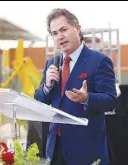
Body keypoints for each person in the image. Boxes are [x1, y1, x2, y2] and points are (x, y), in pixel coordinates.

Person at [34, 8, 117, 165]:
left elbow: (111, 100)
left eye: (63, 29)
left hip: (86, 150)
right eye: (55, 33)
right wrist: (46, 86)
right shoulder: (51, 63)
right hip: (55, 148)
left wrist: (86, 98)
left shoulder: (99, 61)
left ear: (77, 28)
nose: (60, 36)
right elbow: (39, 100)